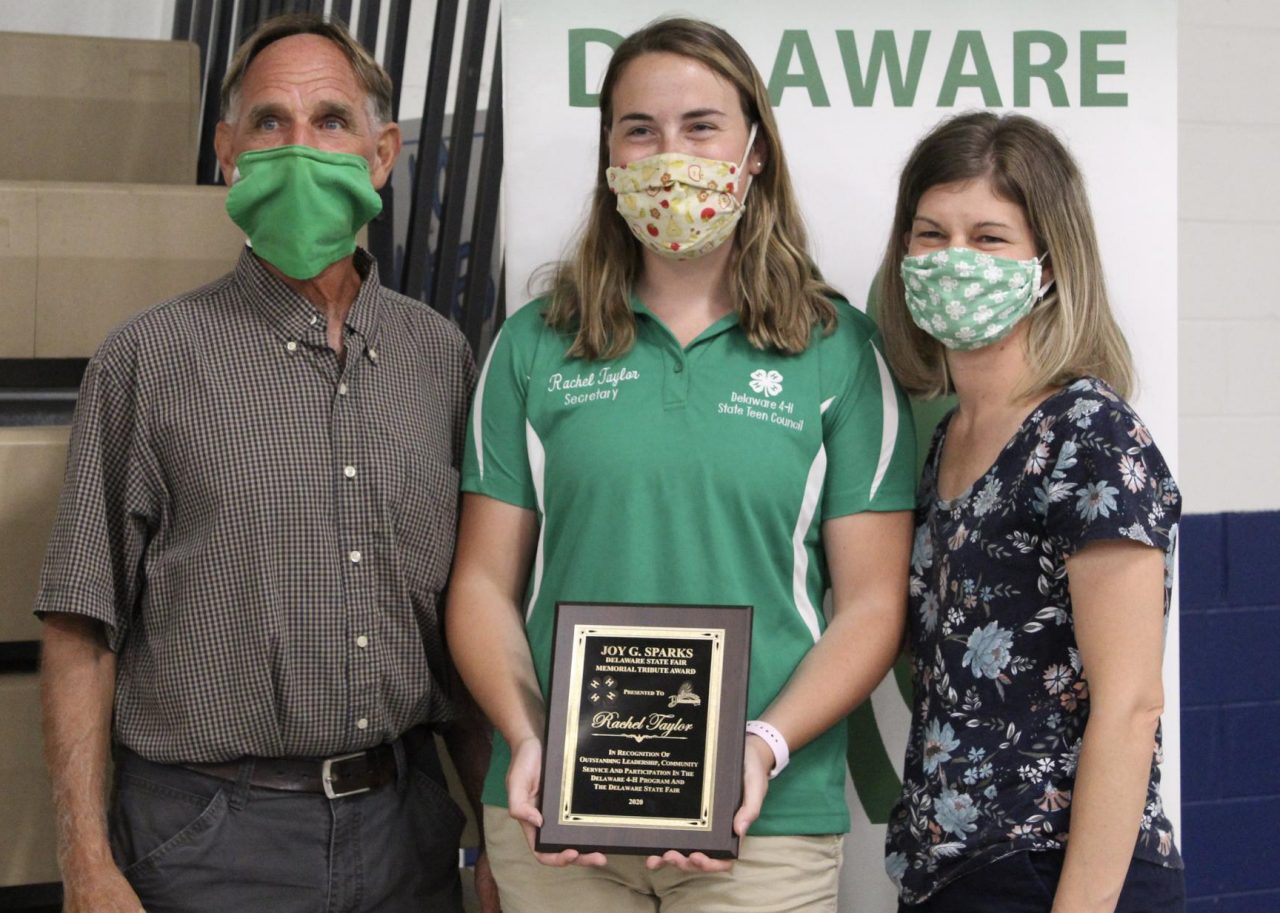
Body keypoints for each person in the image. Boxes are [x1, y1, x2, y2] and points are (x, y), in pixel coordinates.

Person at [446, 16, 916, 913]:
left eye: (702, 126)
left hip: (764, 820)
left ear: (754, 152)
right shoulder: (532, 346)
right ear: (610, 160)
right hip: (557, 813)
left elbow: (871, 604)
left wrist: (761, 744)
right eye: (640, 129)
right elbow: (479, 586)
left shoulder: (836, 349)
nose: (673, 154)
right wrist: (530, 733)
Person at [36, 14, 496, 913]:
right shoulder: (148, 358)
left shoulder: (441, 358)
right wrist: (85, 863)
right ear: (226, 153)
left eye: (330, 120)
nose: (300, 147)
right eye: (268, 124)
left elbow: (463, 622)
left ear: (382, 152)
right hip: (209, 837)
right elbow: (81, 625)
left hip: (407, 826)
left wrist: (499, 840)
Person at [876, 111, 1185, 913]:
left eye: (988, 238)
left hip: (1058, 872)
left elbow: (1130, 702)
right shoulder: (949, 438)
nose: (953, 260)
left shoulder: (1087, 431)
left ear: (1048, 264)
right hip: (950, 870)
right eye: (930, 233)